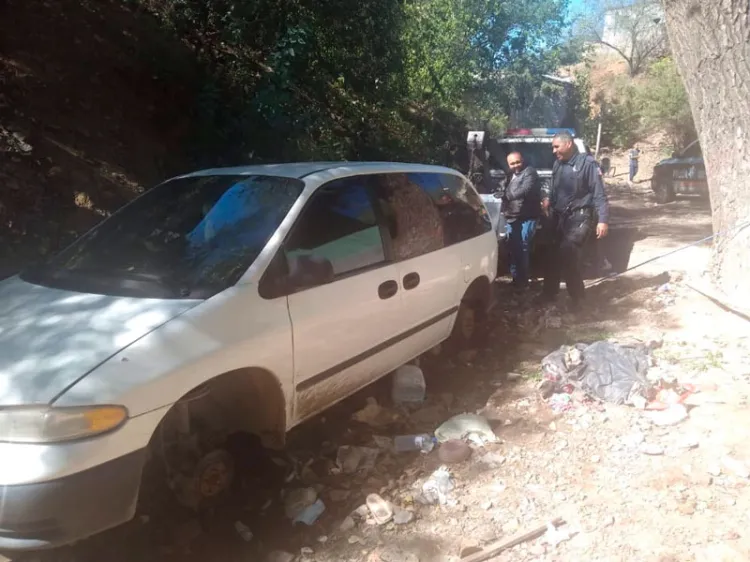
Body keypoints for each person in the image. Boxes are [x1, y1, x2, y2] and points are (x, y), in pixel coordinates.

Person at [541, 131, 610, 310]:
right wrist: (548, 199)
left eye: (556, 147)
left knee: (567, 254)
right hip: (559, 217)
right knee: (551, 254)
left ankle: (578, 299)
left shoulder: (587, 164)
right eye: (553, 147)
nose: (554, 151)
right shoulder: (557, 164)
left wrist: (603, 220)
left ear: (569, 144)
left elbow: (599, 194)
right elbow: (553, 188)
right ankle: (549, 295)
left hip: (580, 217)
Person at [502, 151, 541, 288]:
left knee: (522, 246)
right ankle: (515, 278)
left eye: (518, 162)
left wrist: (506, 195)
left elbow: (525, 190)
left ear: (523, 160)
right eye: (512, 163)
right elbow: (502, 189)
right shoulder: (509, 174)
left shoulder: (530, 172)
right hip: (512, 216)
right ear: (508, 164)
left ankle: (523, 281)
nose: (516, 165)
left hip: (527, 216)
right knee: (513, 247)